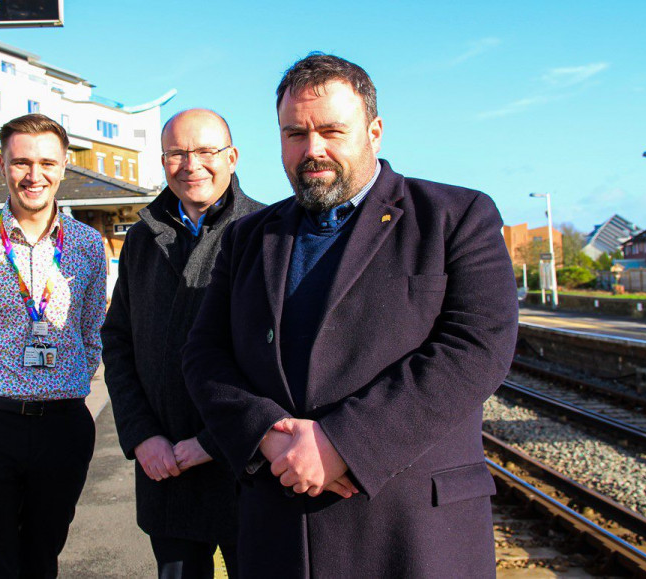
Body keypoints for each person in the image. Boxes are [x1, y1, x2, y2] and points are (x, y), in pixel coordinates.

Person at [183, 53, 518, 578]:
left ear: (375, 131)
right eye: (295, 133)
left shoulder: (457, 217)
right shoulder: (248, 238)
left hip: (413, 536)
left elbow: (477, 349)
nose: (312, 149)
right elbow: (204, 356)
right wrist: (266, 432)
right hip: (279, 527)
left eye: (332, 130)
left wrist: (343, 442)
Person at [0, 113, 106, 577]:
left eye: (47, 163)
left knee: (41, 559)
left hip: (62, 427)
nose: (35, 176)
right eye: (22, 163)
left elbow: (93, 331)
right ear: (3, 165)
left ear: (64, 165)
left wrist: (63, 381)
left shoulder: (89, 245)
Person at [101, 109, 263, 578]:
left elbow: (280, 356)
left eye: (206, 151)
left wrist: (216, 440)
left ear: (231, 157)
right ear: (163, 160)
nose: (191, 164)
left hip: (244, 464)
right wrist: (141, 436)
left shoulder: (268, 232)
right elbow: (118, 341)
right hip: (165, 466)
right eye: (177, 153)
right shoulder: (141, 239)